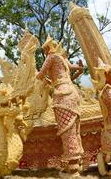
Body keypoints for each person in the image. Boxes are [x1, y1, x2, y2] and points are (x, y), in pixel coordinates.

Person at [36, 35, 84, 175]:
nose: (45, 51)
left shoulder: (51, 58)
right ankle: (78, 160)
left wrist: (38, 77)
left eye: (45, 48)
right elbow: (79, 69)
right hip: (73, 93)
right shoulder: (63, 58)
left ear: (48, 48)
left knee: (66, 129)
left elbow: (40, 75)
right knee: (74, 128)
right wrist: (79, 68)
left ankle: (73, 164)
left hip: (62, 95)